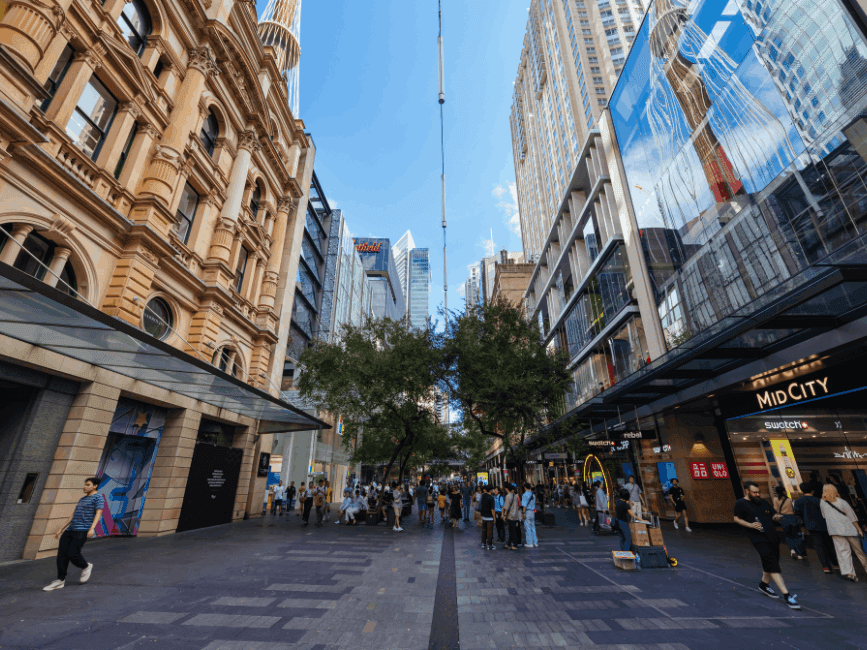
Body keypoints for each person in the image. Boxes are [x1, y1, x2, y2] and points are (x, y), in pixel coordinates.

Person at [733, 481, 800, 609]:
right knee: (772, 564)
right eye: (754, 492)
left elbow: (773, 513)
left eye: (758, 492)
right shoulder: (740, 503)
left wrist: (777, 517)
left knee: (770, 562)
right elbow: (736, 518)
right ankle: (787, 596)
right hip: (758, 538)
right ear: (747, 491)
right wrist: (750, 525)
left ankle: (764, 584)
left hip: (772, 536)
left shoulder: (763, 502)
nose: (757, 494)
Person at [44, 477, 104, 591]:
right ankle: (60, 580)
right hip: (70, 530)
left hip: (82, 530)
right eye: (85, 484)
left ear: (95, 486)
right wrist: (61, 528)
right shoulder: (82, 499)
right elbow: (73, 515)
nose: (85, 487)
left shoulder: (98, 497)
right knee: (62, 554)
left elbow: (98, 513)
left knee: (73, 553)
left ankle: (85, 566)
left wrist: (92, 528)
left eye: (88, 485)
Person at [820, 483, 867, 582]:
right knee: (859, 551)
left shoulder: (822, 503)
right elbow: (852, 517)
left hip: (835, 531)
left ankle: (850, 573)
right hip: (849, 529)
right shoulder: (842, 502)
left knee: (842, 552)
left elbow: (824, 516)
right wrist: (859, 529)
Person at [794, 481, 836, 574]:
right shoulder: (818, 500)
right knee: (829, 545)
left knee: (818, 546)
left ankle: (826, 567)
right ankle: (835, 564)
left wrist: (803, 525)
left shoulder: (798, 501)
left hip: (811, 526)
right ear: (812, 491)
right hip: (824, 525)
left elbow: (797, 514)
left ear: (802, 490)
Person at [773, 485, 806, 560]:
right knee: (796, 535)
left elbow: (775, 510)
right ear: (784, 491)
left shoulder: (775, 499)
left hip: (783, 519)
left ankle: (792, 550)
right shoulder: (790, 499)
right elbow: (794, 509)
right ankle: (800, 554)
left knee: (788, 535)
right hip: (792, 518)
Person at [614, 488, 634, 552]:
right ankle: (626, 553)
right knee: (628, 540)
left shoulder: (618, 501)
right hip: (623, 523)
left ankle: (623, 552)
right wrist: (642, 520)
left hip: (617, 521)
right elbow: (632, 515)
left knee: (622, 538)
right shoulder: (625, 504)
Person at [502, 483, 521, 549]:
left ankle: (515, 545)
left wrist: (504, 515)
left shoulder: (508, 496)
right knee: (511, 530)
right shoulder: (514, 495)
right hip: (515, 514)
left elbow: (506, 507)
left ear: (506, 489)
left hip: (510, 515)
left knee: (512, 530)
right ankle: (509, 544)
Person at [521, 481, 538, 548]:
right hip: (532, 512)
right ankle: (535, 542)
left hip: (527, 512)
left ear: (525, 488)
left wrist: (523, 513)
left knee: (527, 527)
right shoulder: (533, 495)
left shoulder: (524, 495)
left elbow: (524, 506)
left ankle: (529, 542)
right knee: (533, 527)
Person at [480, 484, 496, 550]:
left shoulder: (483, 496)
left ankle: (483, 543)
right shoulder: (491, 498)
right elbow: (492, 509)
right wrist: (494, 518)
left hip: (483, 516)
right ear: (491, 490)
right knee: (490, 531)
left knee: (484, 530)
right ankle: (489, 544)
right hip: (489, 517)